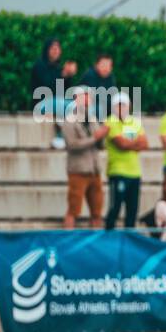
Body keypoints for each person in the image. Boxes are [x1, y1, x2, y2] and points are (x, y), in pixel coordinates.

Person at [61, 90, 109, 229]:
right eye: (85, 96)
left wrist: (102, 137)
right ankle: (68, 238)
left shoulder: (92, 118)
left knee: (97, 211)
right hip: (78, 170)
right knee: (74, 209)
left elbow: (100, 144)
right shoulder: (70, 119)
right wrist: (95, 137)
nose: (88, 99)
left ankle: (95, 241)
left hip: (94, 170)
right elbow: (72, 144)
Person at [103, 93, 146, 230]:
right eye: (118, 105)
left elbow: (145, 144)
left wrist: (129, 144)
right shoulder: (110, 121)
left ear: (129, 106)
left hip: (134, 173)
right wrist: (135, 143)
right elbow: (121, 144)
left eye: (124, 105)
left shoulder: (134, 121)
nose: (121, 108)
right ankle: (109, 237)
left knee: (132, 211)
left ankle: (129, 240)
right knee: (115, 207)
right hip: (118, 171)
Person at [79, 55, 118, 121]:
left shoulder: (110, 77)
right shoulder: (90, 75)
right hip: (85, 106)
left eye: (108, 66)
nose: (106, 68)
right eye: (103, 65)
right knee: (100, 109)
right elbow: (94, 97)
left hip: (102, 105)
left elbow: (113, 95)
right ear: (96, 65)